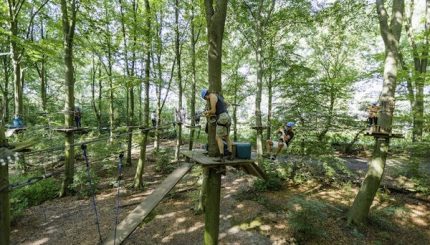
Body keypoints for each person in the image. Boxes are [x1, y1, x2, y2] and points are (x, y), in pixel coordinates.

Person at [201, 89, 233, 162]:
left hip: (222, 117)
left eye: (205, 98)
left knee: (218, 137)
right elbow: (227, 104)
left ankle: (221, 157)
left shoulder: (212, 96)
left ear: (206, 96)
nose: (206, 100)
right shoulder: (219, 97)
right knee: (226, 136)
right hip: (227, 116)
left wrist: (207, 112)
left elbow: (213, 111)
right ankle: (230, 155)